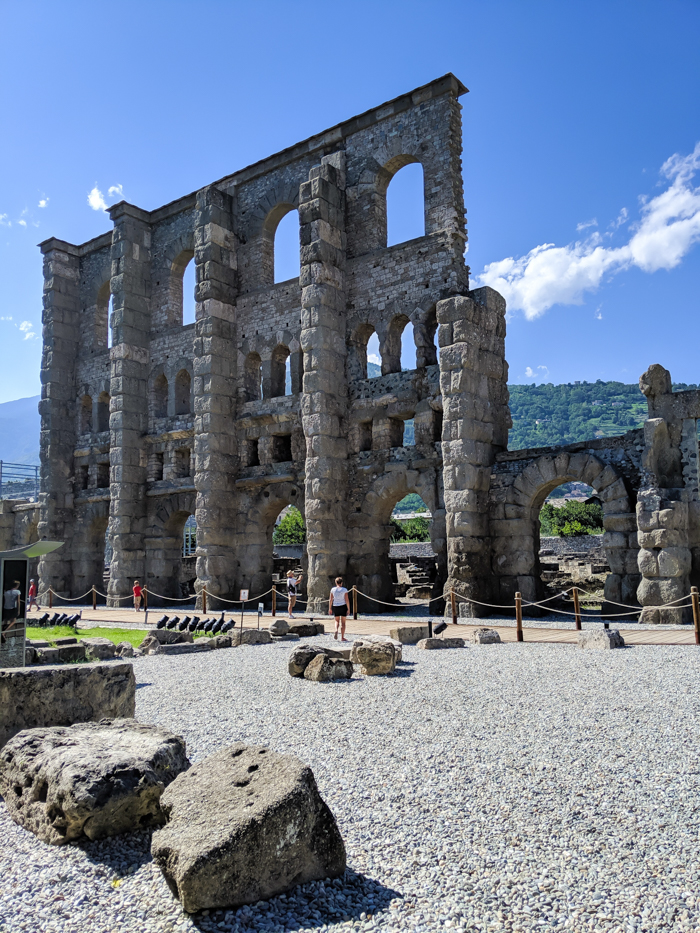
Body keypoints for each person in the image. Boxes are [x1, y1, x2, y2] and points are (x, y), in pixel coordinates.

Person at [328, 576, 350, 642]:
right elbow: (346, 599)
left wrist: (330, 608)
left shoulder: (333, 589)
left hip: (335, 606)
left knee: (336, 621)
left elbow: (330, 599)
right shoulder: (344, 590)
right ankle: (342, 637)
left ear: (336, 582)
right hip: (343, 606)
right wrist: (348, 608)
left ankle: (336, 630)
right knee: (343, 622)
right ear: (342, 583)